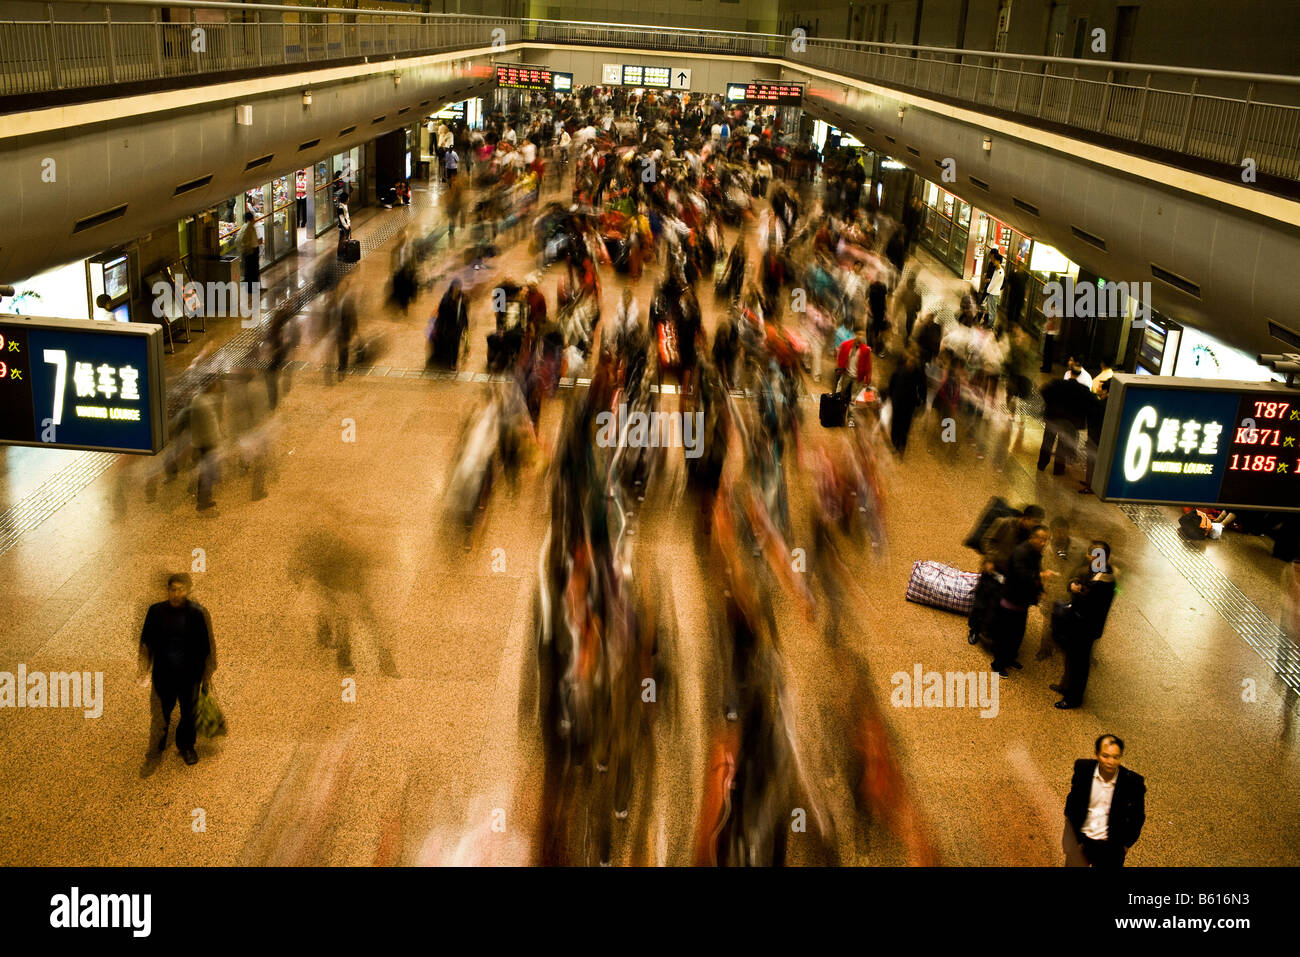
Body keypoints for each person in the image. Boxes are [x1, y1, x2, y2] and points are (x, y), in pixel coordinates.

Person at [137, 573, 216, 772]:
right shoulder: (156, 611)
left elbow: (207, 644)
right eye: (173, 590)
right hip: (164, 673)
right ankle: (157, 746)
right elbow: (146, 641)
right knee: (160, 714)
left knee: (188, 712)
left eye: (180, 590)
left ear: (187, 590)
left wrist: (208, 670)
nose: (176, 594)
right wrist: (143, 667)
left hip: (190, 674)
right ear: (168, 590)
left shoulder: (197, 613)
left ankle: (186, 745)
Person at [1051, 541, 1117, 708]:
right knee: (1071, 658)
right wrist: (1072, 584)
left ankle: (1073, 698)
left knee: (1079, 663)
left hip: (1087, 627)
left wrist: (1079, 591)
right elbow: (1075, 577)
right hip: (1077, 622)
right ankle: (1065, 686)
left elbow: (1093, 603)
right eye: (1092, 554)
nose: (1094, 558)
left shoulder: (1106, 579)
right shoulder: (1091, 569)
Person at [1064, 734, 1146, 867]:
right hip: (1081, 843)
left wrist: (1125, 845)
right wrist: (1074, 842)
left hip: (1111, 850)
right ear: (1096, 754)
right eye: (1105, 756)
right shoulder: (1083, 769)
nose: (1110, 762)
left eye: (1116, 757)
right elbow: (1072, 804)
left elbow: (1138, 817)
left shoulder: (1133, 782)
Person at [990, 524, 1055, 676]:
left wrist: (1040, 590)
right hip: (1011, 600)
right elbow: (1021, 575)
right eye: (1041, 539)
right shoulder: (1021, 552)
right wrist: (1041, 577)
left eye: (1046, 540)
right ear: (1032, 538)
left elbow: (1034, 573)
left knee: (1017, 634)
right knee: (1006, 634)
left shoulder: (1035, 553)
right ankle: (998, 664)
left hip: (1021, 602)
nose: (1044, 543)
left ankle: (1010, 658)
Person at [1037, 373, 1092, 475]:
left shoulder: (1057, 383)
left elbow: (1043, 391)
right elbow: (1088, 406)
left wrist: (1050, 404)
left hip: (1053, 417)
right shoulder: (1083, 390)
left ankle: (1042, 464)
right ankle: (1058, 469)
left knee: (1047, 441)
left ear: (1070, 375)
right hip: (1069, 422)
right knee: (1062, 445)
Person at [886, 350, 926, 455]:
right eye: (910, 361)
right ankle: (895, 444)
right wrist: (891, 396)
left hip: (909, 403)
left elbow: (923, 387)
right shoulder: (899, 370)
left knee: (905, 426)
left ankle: (901, 447)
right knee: (895, 424)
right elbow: (892, 384)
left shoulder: (918, 373)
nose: (911, 364)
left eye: (913, 362)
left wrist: (921, 401)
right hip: (898, 401)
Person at [428, 279, 468, 370]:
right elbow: (441, 314)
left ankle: (454, 363)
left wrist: (465, 326)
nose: (457, 290)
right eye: (455, 288)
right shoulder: (446, 299)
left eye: (458, 288)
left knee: (456, 345)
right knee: (449, 344)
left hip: (457, 327)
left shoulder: (462, 298)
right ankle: (447, 361)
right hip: (447, 326)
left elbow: (464, 313)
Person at [1080, 378, 1108, 492]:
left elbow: (1092, 420)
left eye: (1101, 388)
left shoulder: (1101, 404)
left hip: (1095, 438)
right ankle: (1090, 482)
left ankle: (1090, 485)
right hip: (1101, 438)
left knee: (1092, 462)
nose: (1098, 389)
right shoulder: (1110, 404)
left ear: (1105, 391)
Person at [835, 326, 872, 403]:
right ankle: (839, 405)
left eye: (862, 336)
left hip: (857, 377)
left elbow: (867, 365)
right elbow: (840, 356)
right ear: (855, 335)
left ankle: (851, 410)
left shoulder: (865, 350)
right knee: (841, 392)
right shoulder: (846, 345)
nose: (860, 337)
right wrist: (839, 367)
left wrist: (867, 379)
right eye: (858, 335)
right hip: (847, 373)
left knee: (854, 397)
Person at [236, 211, 262, 288]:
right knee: (253, 270)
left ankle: (251, 287)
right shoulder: (249, 228)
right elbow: (247, 240)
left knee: (250, 269)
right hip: (251, 251)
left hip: (250, 250)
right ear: (251, 218)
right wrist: (253, 246)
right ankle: (252, 288)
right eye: (253, 217)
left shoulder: (246, 226)